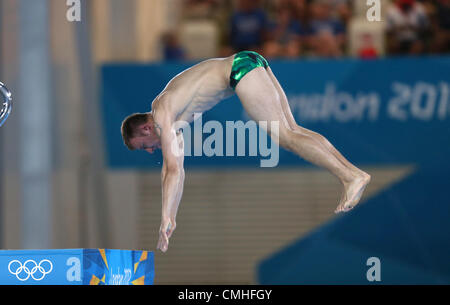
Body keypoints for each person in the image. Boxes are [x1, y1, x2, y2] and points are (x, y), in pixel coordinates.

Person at [120, 51, 371, 252]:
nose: (151, 150)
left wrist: (165, 217)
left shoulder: (163, 113)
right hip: (248, 62)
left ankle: (351, 177)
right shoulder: (171, 118)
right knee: (292, 130)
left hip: (239, 71)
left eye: (146, 145)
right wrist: (169, 217)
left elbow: (171, 169)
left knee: (286, 137)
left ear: (145, 128)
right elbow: (176, 171)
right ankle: (352, 174)